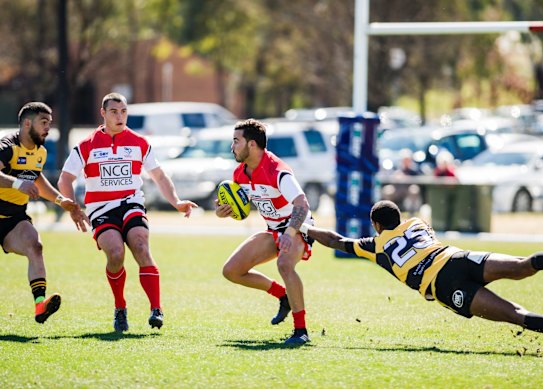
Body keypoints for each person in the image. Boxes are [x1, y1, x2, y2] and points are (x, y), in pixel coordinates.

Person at [299, 200, 543, 350]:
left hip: (445, 285)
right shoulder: (418, 223)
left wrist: (306, 228)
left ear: (375, 225)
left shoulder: (375, 246)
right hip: (459, 258)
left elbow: (336, 240)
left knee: (515, 313)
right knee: (522, 266)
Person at [57, 93, 197, 332]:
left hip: (131, 204)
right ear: (103, 113)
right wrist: (70, 205)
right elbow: (65, 178)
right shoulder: (86, 146)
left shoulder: (139, 142)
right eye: (114, 112)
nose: (120, 116)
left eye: (123, 111)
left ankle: (156, 309)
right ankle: (120, 307)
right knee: (115, 254)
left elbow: (160, 176)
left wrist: (176, 202)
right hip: (101, 210)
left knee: (141, 246)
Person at [215, 119, 314, 345]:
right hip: (273, 229)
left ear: (251, 144)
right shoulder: (239, 173)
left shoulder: (277, 170)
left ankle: (301, 331)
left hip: (298, 227)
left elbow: (302, 203)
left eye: (236, 141)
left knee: (284, 265)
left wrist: (290, 233)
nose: (232, 147)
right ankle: (283, 296)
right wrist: (224, 212)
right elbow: (240, 206)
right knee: (231, 271)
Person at [0, 102, 85, 324]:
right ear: (27, 123)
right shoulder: (7, 147)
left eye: (50, 123)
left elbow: (36, 177)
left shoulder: (40, 152)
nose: (48, 128)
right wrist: (17, 183)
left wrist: (60, 200)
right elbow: (21, 180)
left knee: (35, 246)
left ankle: (40, 306)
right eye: (43, 123)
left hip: (13, 218)